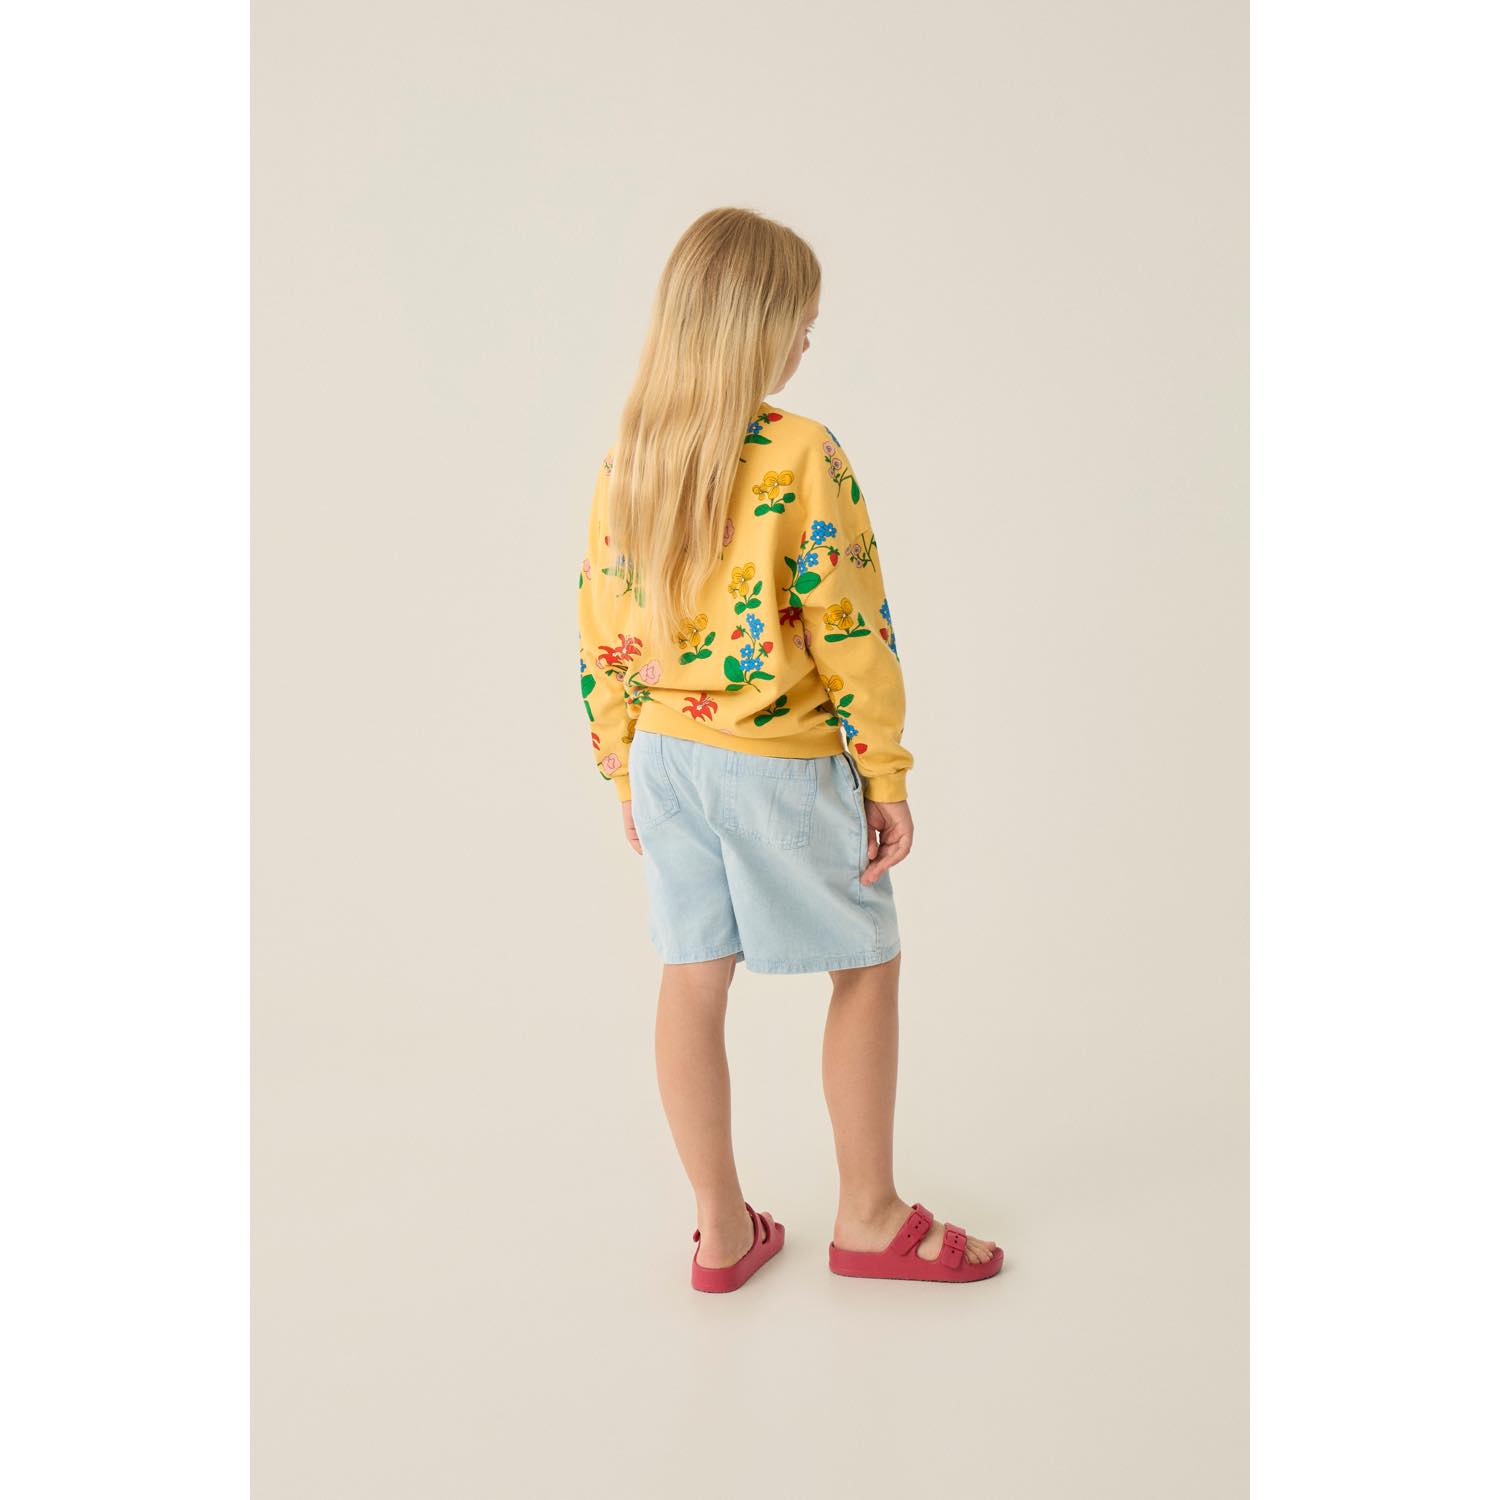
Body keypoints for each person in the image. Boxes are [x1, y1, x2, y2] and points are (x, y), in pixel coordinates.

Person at [576, 207, 1002, 1292]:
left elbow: (601, 625)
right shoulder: (802, 452)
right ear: (753, 329)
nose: (808, 342)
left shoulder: (631, 455)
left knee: (691, 975)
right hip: (778, 761)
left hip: (666, 757)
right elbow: (849, 626)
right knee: (865, 963)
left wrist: (623, 765)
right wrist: (884, 772)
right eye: (799, 324)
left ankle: (721, 1231)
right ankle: (869, 1215)